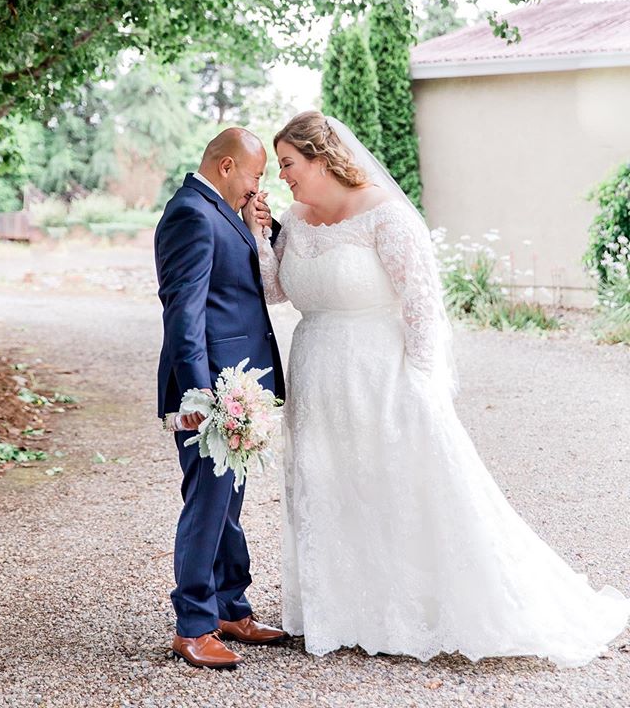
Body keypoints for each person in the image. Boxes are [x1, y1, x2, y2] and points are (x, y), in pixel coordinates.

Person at [242, 110, 630, 668]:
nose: (283, 177)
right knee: (327, 483)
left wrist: (422, 385)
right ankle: (345, 609)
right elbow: (277, 290)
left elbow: (424, 307)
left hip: (382, 370)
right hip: (316, 369)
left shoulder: (386, 216)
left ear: (321, 158)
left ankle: (409, 609)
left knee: (395, 485)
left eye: (288, 164)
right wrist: (260, 234)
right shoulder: (295, 221)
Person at [154, 127, 288, 670]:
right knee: (208, 504)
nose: (259, 186)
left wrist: (265, 224)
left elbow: (248, 278)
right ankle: (193, 626)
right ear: (227, 166)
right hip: (209, 388)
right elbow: (183, 312)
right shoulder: (190, 212)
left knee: (229, 503)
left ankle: (232, 607)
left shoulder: (224, 209)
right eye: (256, 175)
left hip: (241, 384)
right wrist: (199, 394)